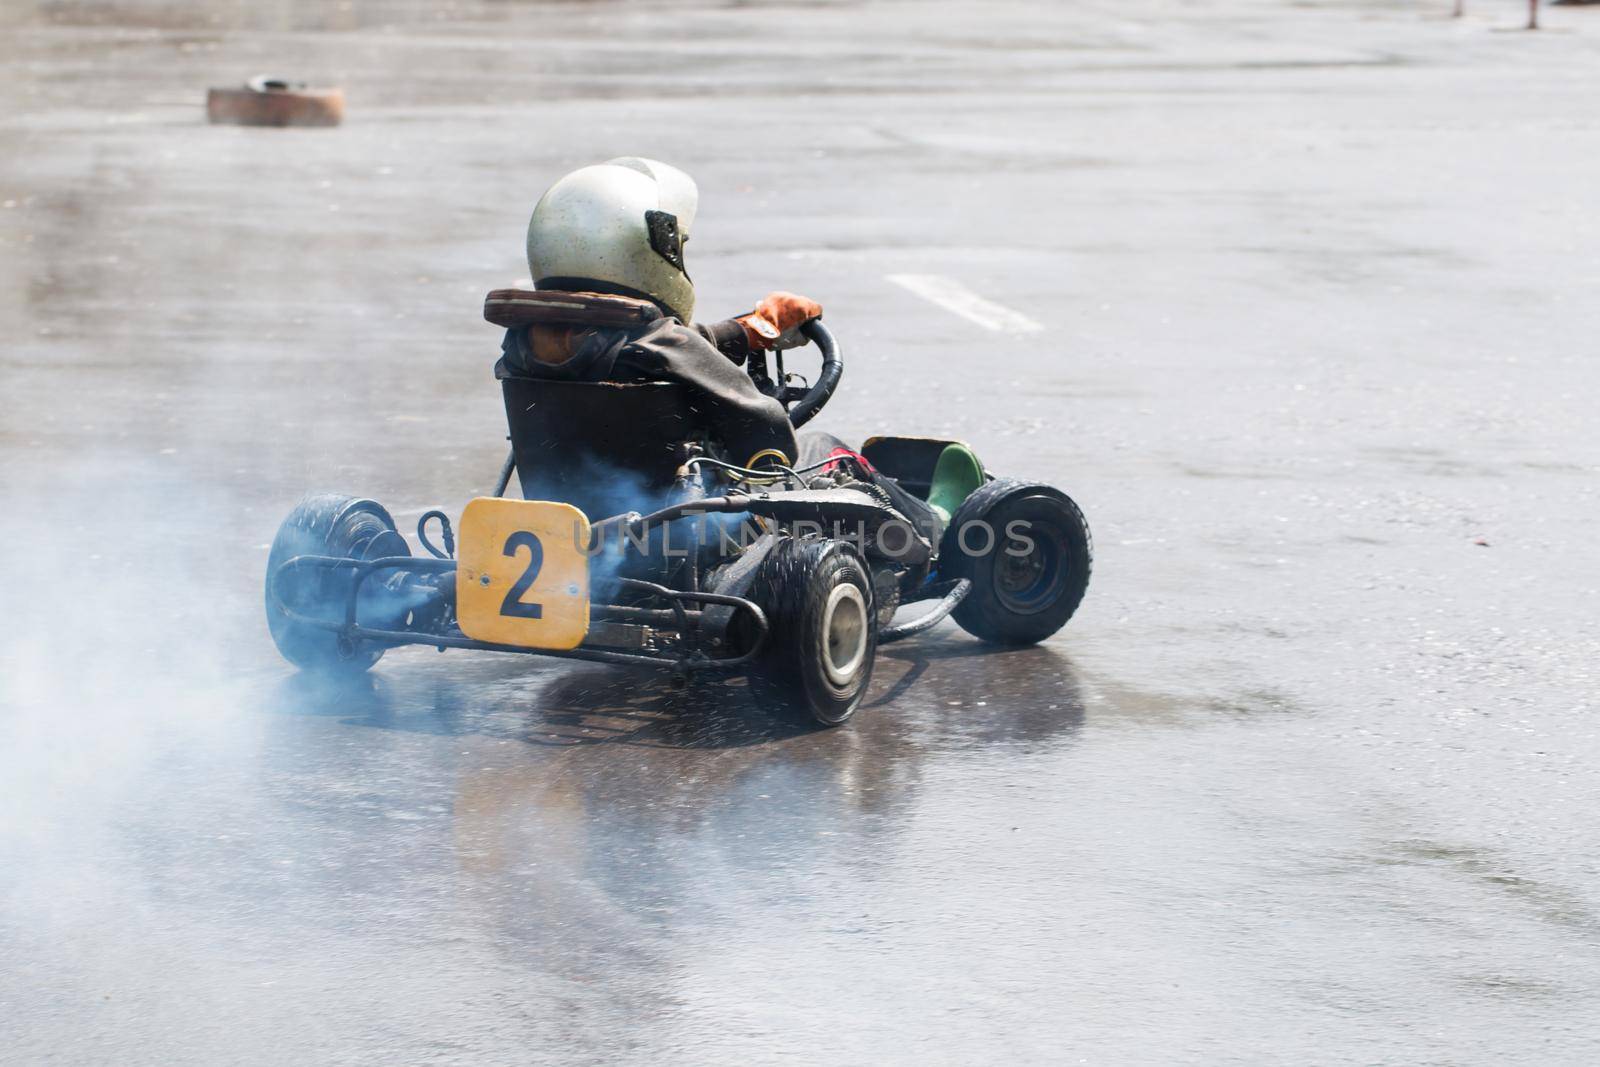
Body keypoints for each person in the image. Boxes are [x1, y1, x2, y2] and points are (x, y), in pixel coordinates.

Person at [491, 156, 936, 537]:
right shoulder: (663, 348)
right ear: (643, 251)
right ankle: (934, 527)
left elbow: (655, 349)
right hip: (685, 539)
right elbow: (770, 444)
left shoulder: (524, 347)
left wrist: (745, 332)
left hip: (572, 534)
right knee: (828, 451)